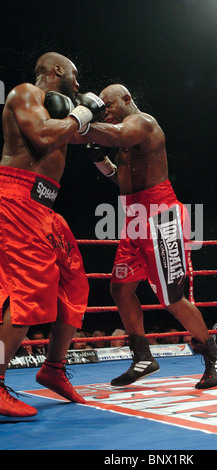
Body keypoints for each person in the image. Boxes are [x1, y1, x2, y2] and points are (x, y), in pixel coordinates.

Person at [74, 83, 217, 389]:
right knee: (119, 289)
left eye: (109, 106)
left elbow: (116, 134)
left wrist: (81, 121)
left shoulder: (143, 123)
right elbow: (120, 180)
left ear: (127, 100)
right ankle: (144, 357)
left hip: (161, 217)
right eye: (102, 107)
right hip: (134, 218)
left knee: (171, 298)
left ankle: (215, 355)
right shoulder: (124, 143)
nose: (106, 111)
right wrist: (98, 159)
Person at [0, 51, 105, 417]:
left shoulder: (61, 113)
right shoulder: (25, 93)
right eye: (74, 75)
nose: (78, 83)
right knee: (27, 294)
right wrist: (82, 112)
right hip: (16, 198)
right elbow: (44, 137)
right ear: (57, 70)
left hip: (45, 209)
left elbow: (88, 134)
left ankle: (53, 368)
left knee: (75, 283)